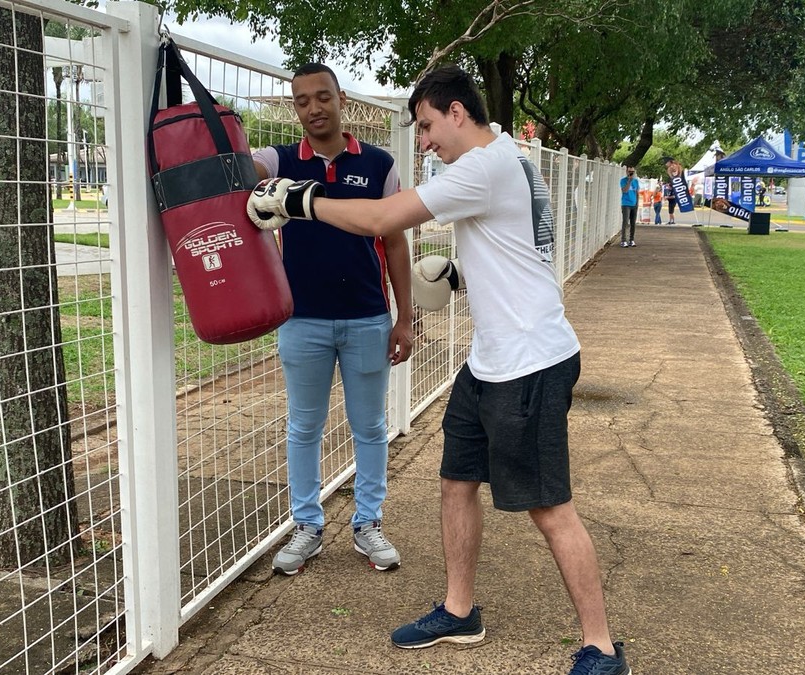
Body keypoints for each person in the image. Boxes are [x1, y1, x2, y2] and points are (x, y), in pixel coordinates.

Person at [247, 64, 631, 675]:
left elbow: (379, 220)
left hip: (529, 362)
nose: (423, 141)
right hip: (490, 361)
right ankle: (459, 610)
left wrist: (300, 199)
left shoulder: (482, 167)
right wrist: (458, 277)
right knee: (456, 481)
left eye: (426, 126)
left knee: (549, 507)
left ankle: (601, 647)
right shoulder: (507, 159)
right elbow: (523, 250)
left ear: (457, 113)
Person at [251, 63, 414, 576]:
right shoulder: (276, 162)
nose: (314, 108)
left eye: (323, 97)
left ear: (341, 99)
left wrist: (403, 317)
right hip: (302, 321)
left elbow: (395, 241)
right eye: (302, 101)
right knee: (304, 427)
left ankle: (368, 524)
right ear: (294, 108)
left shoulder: (380, 163)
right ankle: (307, 526)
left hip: (367, 318)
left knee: (370, 428)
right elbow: (232, 165)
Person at [619, 165, 640, 247]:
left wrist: (637, 203)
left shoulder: (636, 181)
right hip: (626, 204)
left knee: (633, 223)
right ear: (626, 172)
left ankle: (632, 239)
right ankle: (623, 240)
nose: (631, 173)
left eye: (632, 172)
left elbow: (637, 192)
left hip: (634, 204)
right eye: (629, 171)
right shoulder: (623, 180)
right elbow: (624, 190)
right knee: (625, 222)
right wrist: (629, 181)